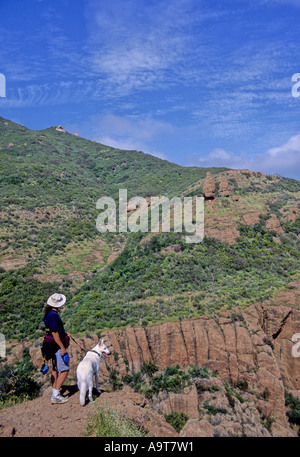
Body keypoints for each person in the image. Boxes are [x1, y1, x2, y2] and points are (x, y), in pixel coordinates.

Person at [41, 293, 71, 404]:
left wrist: (63, 333)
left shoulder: (48, 313)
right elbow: (54, 332)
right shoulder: (54, 315)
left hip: (49, 344)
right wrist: (62, 347)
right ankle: (56, 395)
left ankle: (55, 391)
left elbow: (52, 330)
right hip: (56, 346)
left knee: (55, 368)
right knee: (64, 369)